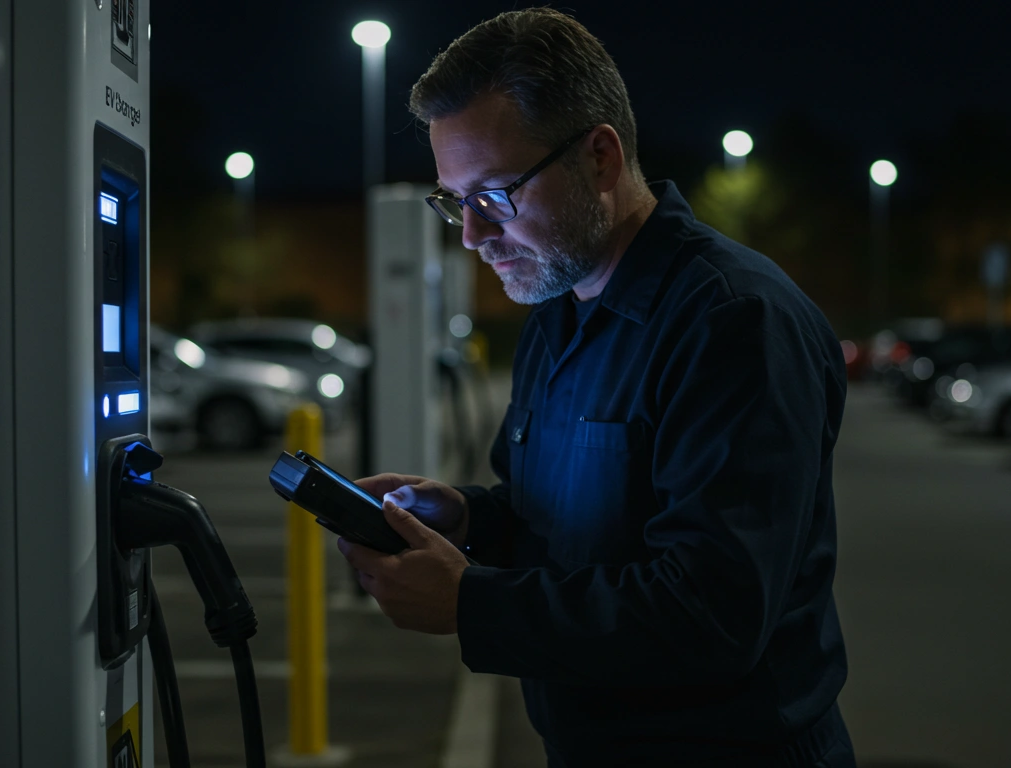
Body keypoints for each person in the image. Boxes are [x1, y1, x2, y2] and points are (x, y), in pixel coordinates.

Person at [336, 8, 854, 767]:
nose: (473, 237)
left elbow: (713, 614)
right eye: (455, 202)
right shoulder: (559, 309)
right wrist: (464, 518)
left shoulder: (733, 321)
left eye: (494, 197)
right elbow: (555, 525)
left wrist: (471, 604)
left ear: (601, 159)